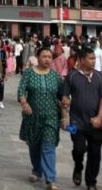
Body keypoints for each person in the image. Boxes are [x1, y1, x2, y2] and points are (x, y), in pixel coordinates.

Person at [17, 47, 64, 190]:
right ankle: (37, 170)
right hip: (33, 116)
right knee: (34, 145)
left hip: (51, 116)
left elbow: (62, 96)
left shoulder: (55, 76)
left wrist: (65, 112)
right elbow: (21, 90)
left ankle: (51, 179)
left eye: (49, 57)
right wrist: (24, 103)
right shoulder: (29, 73)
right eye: (44, 56)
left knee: (48, 146)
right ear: (37, 57)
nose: (47, 59)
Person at [61, 46, 102, 190]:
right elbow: (65, 97)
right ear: (81, 60)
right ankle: (78, 166)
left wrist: (100, 117)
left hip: (95, 123)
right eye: (90, 58)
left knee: (95, 154)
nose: (94, 61)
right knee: (78, 149)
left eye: (94, 58)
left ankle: (91, 182)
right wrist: (64, 117)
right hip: (75, 123)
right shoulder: (72, 76)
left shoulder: (100, 76)